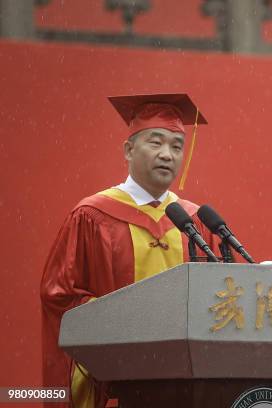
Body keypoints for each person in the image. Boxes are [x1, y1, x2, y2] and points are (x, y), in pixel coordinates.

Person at [40, 93, 219, 408]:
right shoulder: (93, 216)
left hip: (187, 385)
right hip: (123, 383)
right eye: (156, 142)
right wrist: (121, 321)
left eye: (177, 146)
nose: (167, 154)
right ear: (128, 149)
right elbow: (61, 296)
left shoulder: (195, 221)